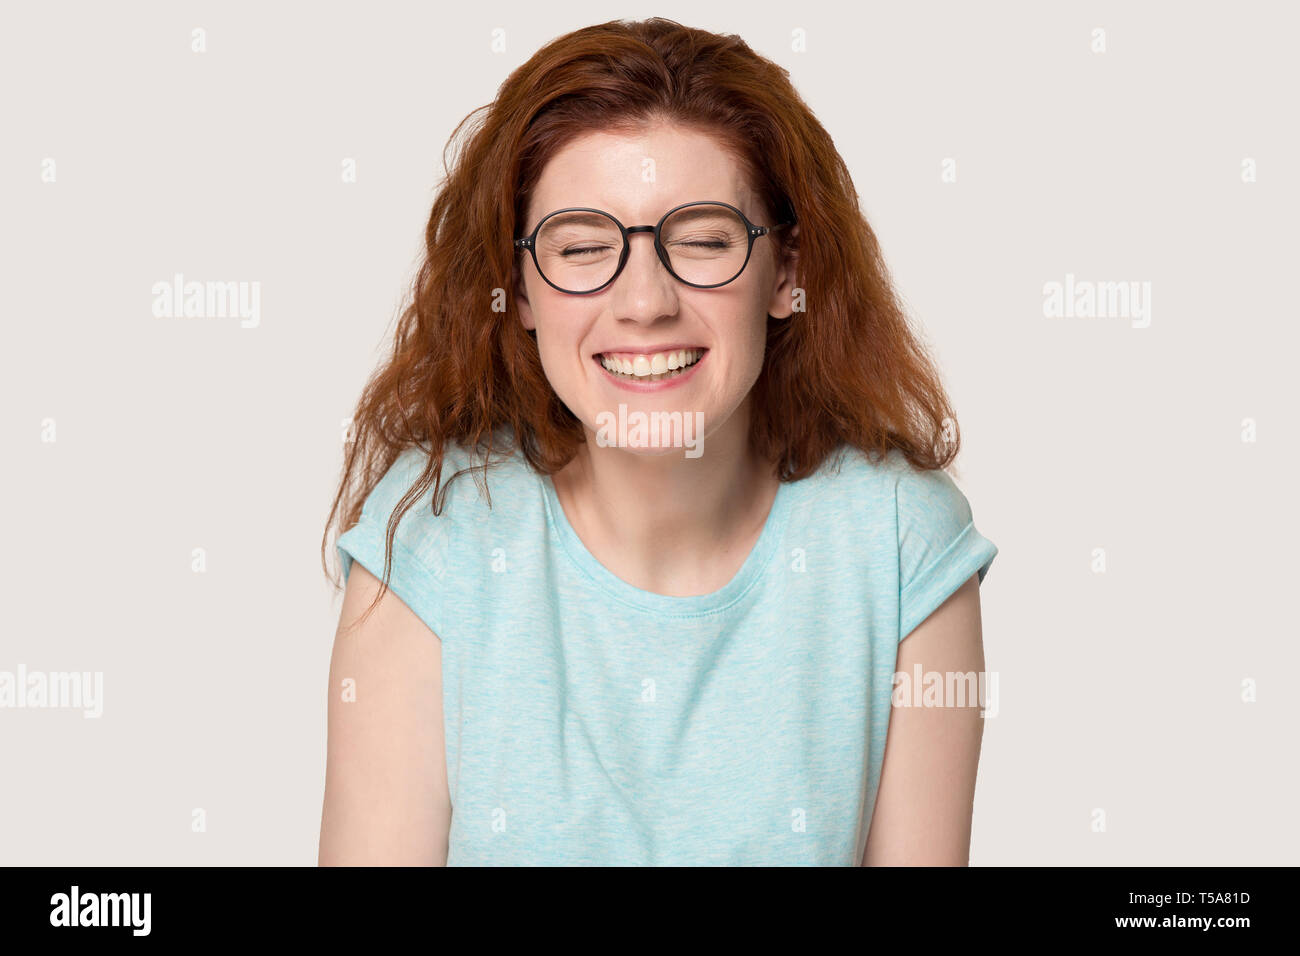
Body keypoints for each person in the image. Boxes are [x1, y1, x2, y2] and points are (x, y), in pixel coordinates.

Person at [318, 17, 997, 866]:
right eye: (582, 247)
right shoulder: (432, 535)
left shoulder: (902, 545)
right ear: (520, 289)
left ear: (786, 272)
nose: (644, 301)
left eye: (703, 241)